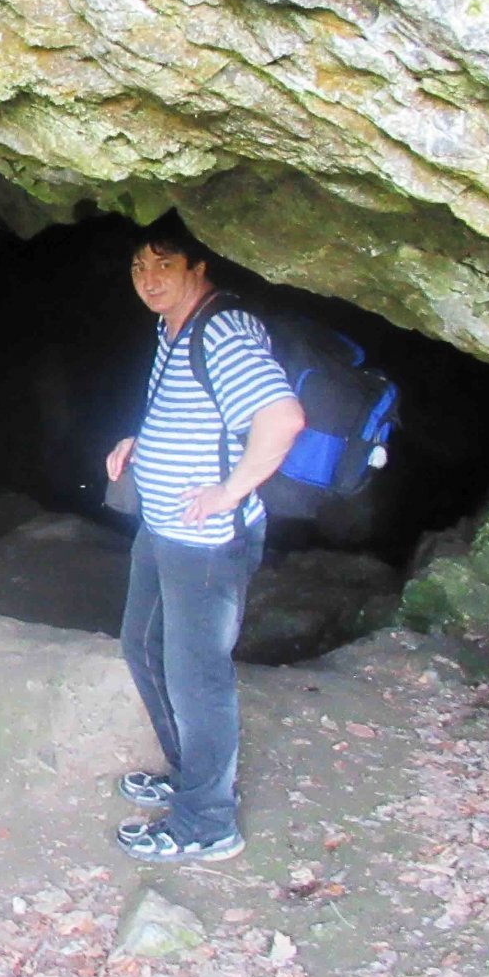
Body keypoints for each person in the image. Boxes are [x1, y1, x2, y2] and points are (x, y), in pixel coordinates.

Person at [104, 217, 305, 864]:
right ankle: (191, 775)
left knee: (197, 678)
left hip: (206, 542)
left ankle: (207, 822)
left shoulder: (223, 330)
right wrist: (140, 442)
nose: (149, 279)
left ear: (199, 268)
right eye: (138, 267)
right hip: (161, 527)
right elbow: (186, 408)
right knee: (142, 644)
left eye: (164, 265)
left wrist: (229, 490)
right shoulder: (173, 329)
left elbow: (281, 417)